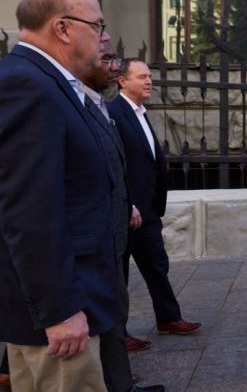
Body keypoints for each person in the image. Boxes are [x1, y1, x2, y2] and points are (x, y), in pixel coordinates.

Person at [0, 0, 122, 392]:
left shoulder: (45, 82)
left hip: (62, 308)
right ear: (63, 28)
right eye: (98, 25)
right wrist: (60, 311)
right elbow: (30, 212)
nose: (104, 37)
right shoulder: (28, 85)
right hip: (60, 321)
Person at [80, 46, 164, 392]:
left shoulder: (116, 109)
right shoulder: (106, 109)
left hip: (133, 211)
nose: (149, 81)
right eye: (142, 76)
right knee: (113, 291)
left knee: (139, 277)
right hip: (101, 224)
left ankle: (120, 378)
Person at [107, 59, 201, 350]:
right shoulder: (113, 113)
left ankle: (168, 318)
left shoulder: (140, 113)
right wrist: (129, 203)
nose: (149, 81)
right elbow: (115, 164)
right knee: (119, 273)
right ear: (123, 81)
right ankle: (118, 336)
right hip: (127, 210)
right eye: (141, 77)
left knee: (157, 264)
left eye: (149, 76)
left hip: (147, 210)